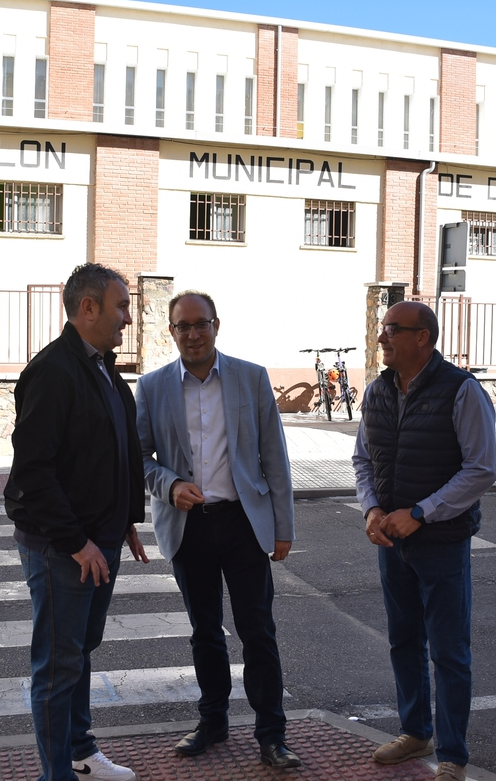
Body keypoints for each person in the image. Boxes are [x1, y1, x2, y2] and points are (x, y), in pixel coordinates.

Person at [135, 291, 302, 769]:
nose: (192, 334)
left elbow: (275, 457)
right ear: (171, 332)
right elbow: (139, 457)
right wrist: (169, 485)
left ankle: (272, 734)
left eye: (200, 324)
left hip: (244, 525)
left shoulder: (251, 378)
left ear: (216, 326)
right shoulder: (152, 387)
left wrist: (282, 528)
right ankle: (212, 723)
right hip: (190, 528)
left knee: (258, 631)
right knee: (205, 632)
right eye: (182, 326)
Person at [4, 262, 151, 781]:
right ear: (87, 308)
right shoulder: (53, 370)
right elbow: (34, 471)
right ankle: (57, 775)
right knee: (58, 664)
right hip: (62, 546)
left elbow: (108, 450)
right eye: (121, 306)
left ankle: (82, 754)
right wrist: (76, 541)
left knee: (80, 652)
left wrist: (124, 518)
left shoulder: (101, 366)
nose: (129, 318)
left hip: (100, 536)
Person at [351, 300, 496, 781]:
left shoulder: (462, 390)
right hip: (393, 544)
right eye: (382, 328)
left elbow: (481, 469)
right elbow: (363, 461)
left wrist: (420, 513)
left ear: (422, 337)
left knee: (449, 650)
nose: (381, 338)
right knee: (402, 641)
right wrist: (372, 507)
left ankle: (452, 754)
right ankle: (416, 731)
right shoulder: (376, 391)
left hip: (442, 543)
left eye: (392, 329)